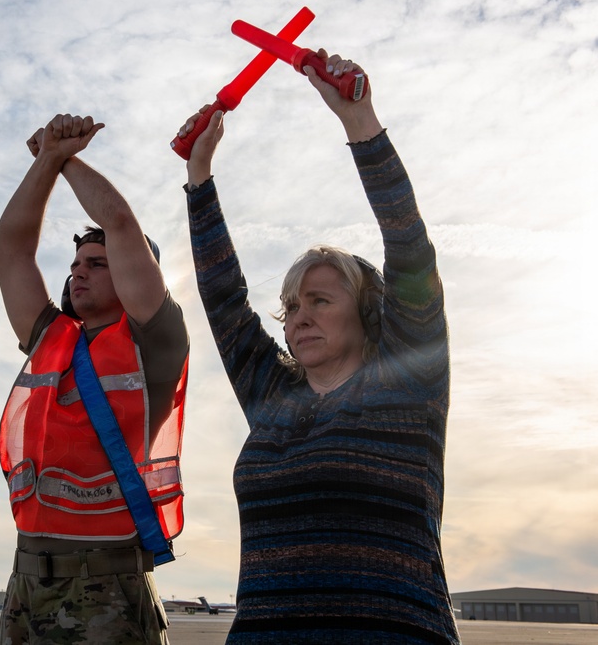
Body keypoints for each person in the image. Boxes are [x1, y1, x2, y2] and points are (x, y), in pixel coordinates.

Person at [177, 50, 461, 644]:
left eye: (320, 301)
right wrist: (199, 175)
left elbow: (410, 251)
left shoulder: (407, 383)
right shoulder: (272, 397)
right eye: (292, 307)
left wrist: (359, 120)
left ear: (365, 312)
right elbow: (224, 298)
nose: (299, 317)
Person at [0, 113, 189, 644]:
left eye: (97, 263)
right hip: (27, 584)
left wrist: (67, 158)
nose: (78, 270)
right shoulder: (51, 339)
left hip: (109, 586)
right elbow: (11, 250)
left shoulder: (156, 340)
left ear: (134, 273)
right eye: (76, 261)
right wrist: (44, 163)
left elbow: (122, 226)